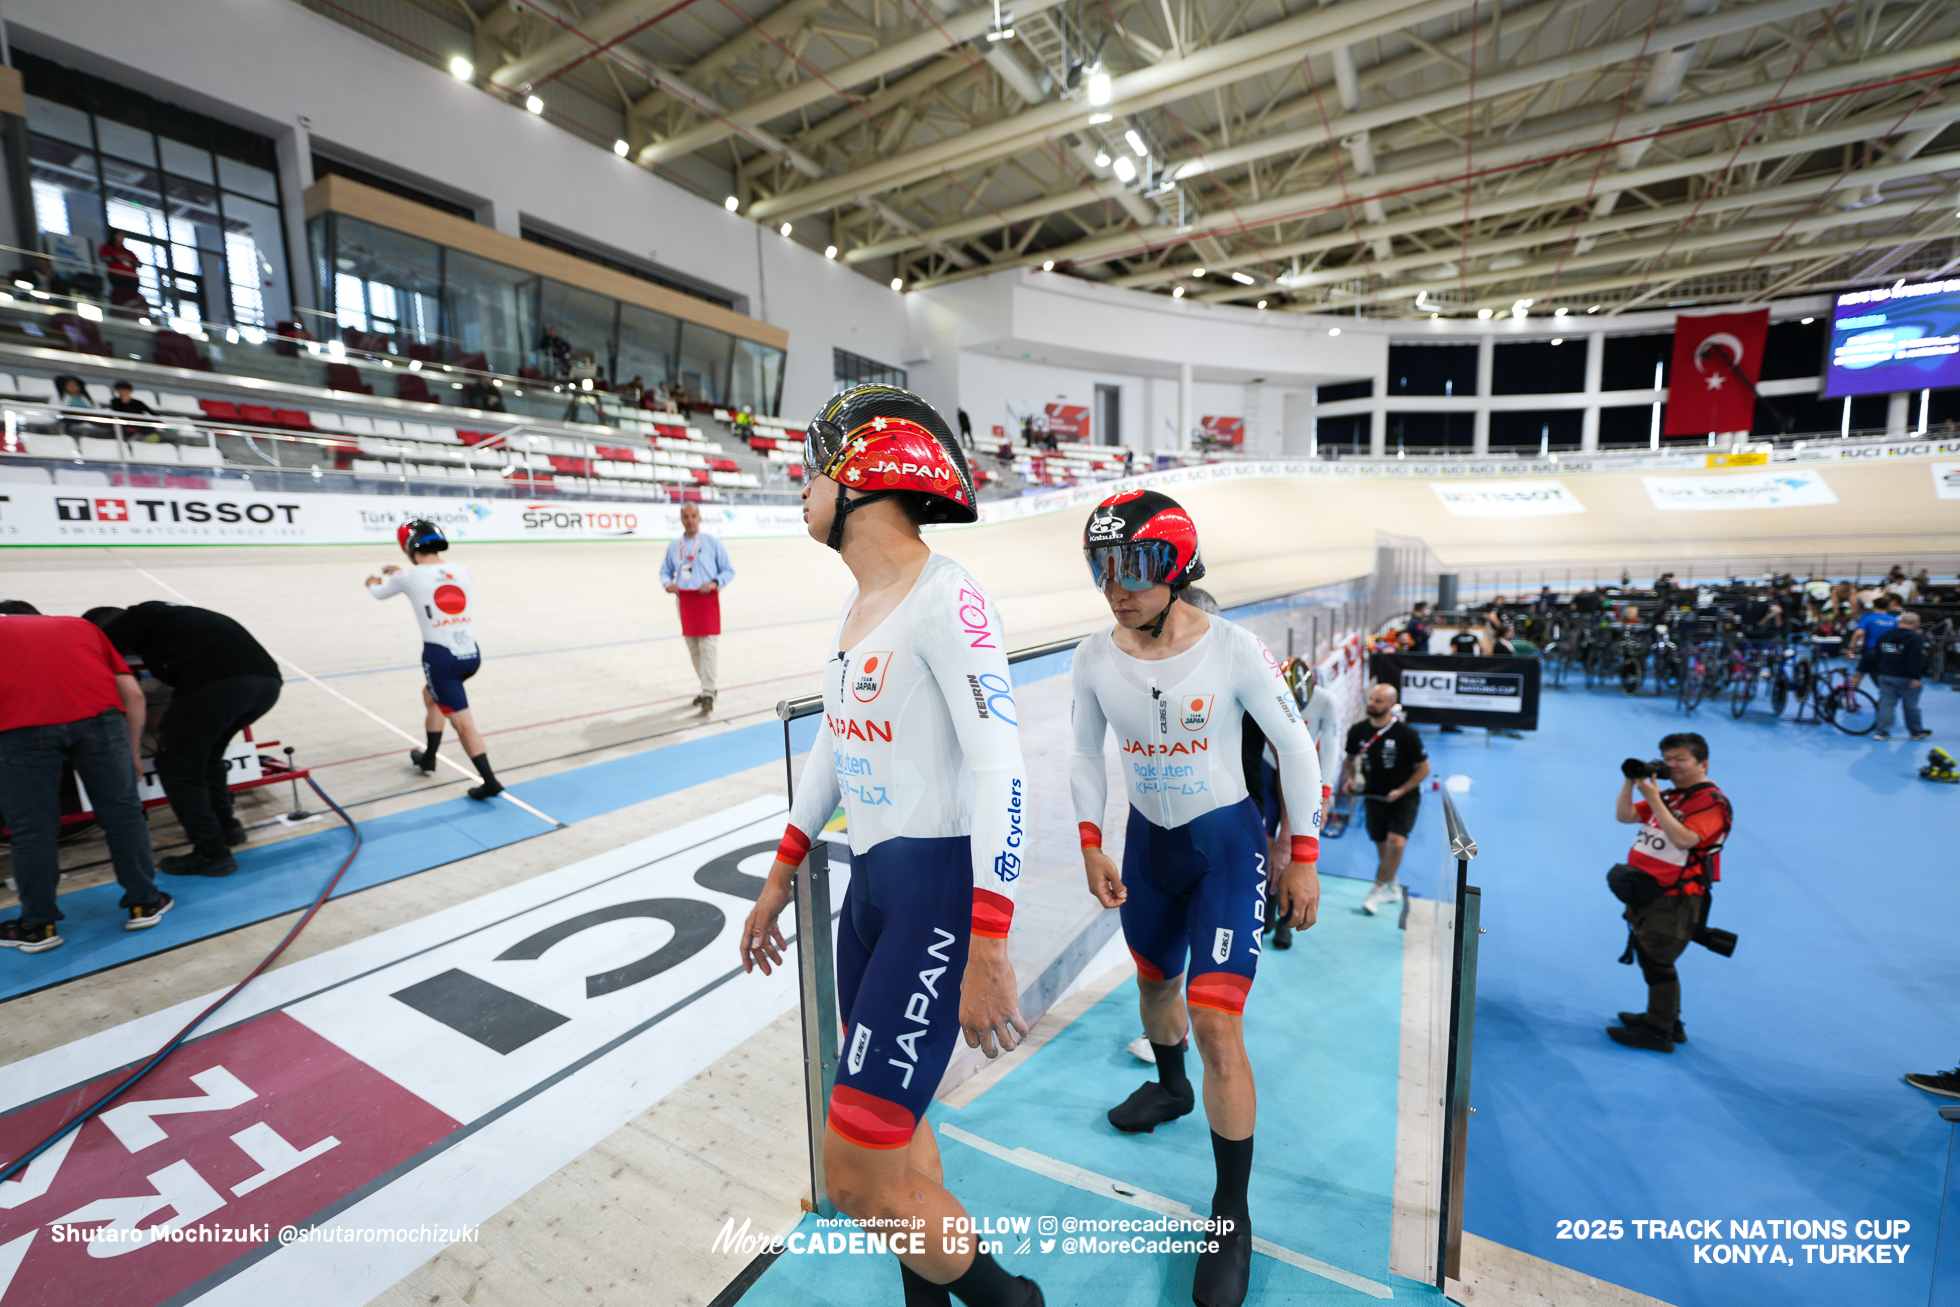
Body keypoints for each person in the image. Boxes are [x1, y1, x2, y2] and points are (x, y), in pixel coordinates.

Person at [738, 384, 1041, 1307]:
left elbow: (1002, 768)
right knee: (897, 1132)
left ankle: (1010, 1302)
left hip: (935, 902)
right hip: (874, 894)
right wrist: (781, 872)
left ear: (863, 480)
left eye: (812, 467)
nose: (798, 484)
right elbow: (836, 741)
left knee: (856, 1181)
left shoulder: (951, 598)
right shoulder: (867, 601)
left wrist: (990, 935)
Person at [1069, 490, 1319, 1307]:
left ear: (1177, 568)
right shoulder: (1092, 655)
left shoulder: (1235, 647)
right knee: (1151, 983)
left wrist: (1303, 855)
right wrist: (1091, 839)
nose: (1116, 587)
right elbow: (1082, 753)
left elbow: (1296, 746)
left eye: (1134, 568)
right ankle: (1173, 1086)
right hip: (1149, 844)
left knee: (1218, 1019)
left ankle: (1230, 1212)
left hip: (1222, 847)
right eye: (1104, 567)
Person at [0, 607, 172, 950]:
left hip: (21, 729)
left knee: (32, 830)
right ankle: (144, 902)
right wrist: (134, 752)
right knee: (123, 814)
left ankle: (38, 927)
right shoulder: (80, 626)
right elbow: (133, 694)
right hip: (100, 721)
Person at [84, 601, 282, 877]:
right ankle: (227, 827)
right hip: (266, 684)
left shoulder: (141, 614)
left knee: (177, 768)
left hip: (217, 685)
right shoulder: (172, 616)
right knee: (208, 755)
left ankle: (211, 853)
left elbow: (90, 646)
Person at [1606, 734, 1732, 1053]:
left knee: (1659, 959)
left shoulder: (1711, 802)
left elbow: (1686, 838)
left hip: (1676, 896)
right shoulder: (1673, 796)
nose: (1672, 766)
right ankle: (1665, 1019)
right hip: (1649, 890)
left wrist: (1655, 799)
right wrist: (1631, 784)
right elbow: (1624, 816)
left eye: (1681, 760)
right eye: (1667, 759)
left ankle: (1657, 1031)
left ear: (1703, 764)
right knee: (1650, 954)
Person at [366, 519, 504, 800]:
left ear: (408, 548)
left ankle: (490, 782)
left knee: (463, 724)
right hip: (470, 655)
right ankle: (428, 757)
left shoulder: (407, 577)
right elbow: (434, 578)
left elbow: (380, 593)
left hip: (441, 659)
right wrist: (403, 573)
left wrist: (373, 583)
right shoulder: (463, 571)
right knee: (431, 696)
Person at [1345, 682, 1429, 915]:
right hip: (1374, 796)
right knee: (1383, 848)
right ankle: (1392, 885)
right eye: (1371, 699)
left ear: (1392, 705)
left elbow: (1424, 768)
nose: (1372, 703)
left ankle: (1376, 889)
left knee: (1397, 843)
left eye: (1378, 700)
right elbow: (1349, 760)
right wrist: (1350, 779)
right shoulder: (1358, 730)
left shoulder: (1407, 734)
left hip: (1404, 797)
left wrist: (1401, 791)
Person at [660, 504, 736, 713]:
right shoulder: (674, 546)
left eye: (694, 516)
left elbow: (729, 571)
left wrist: (714, 582)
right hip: (685, 600)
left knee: (708, 647)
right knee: (693, 648)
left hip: (706, 600)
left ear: (700, 518)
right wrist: (667, 584)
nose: (690, 520)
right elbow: (665, 571)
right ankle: (707, 687)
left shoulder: (712, 542)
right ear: (681, 519)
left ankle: (708, 692)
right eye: (685, 516)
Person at [1870, 612, 1929, 742]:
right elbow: (1915, 658)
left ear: (1899, 622)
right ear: (1916, 623)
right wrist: (1916, 677)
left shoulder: (1885, 636)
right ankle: (1915, 732)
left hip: (1885, 675)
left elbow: (1877, 655)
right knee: (1910, 706)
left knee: (1886, 704)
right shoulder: (1915, 638)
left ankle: (1881, 733)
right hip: (1905, 676)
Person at [1849, 594, 1902, 692]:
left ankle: (1847, 697)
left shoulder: (1867, 618)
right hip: (1888, 650)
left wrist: (1851, 648)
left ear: (1874, 606)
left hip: (1871, 650)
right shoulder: (1894, 620)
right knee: (1885, 675)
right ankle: (1885, 699)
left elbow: (1859, 633)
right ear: (1888, 607)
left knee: (1859, 674)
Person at [99, 229, 147, 315]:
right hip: (117, 275)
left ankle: (131, 313)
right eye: (120, 236)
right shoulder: (107, 247)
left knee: (132, 297)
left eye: (123, 236)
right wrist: (117, 257)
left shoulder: (128, 252)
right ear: (114, 236)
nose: (122, 238)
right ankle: (118, 313)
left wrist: (130, 260)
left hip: (132, 278)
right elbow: (103, 258)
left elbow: (139, 264)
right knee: (120, 295)